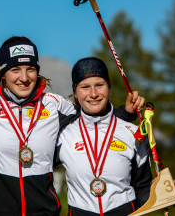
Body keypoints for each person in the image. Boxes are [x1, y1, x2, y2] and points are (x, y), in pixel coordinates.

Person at [0, 37, 144, 216]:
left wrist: (125, 114)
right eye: (15, 69)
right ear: (2, 73)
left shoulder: (54, 105)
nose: (24, 78)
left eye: (31, 69)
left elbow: (91, 117)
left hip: (45, 212)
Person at [56, 57, 152, 215]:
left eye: (99, 85)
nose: (93, 94)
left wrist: (162, 194)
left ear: (109, 87)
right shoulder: (63, 133)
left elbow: (143, 187)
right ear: (75, 93)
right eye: (85, 87)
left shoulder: (133, 133)